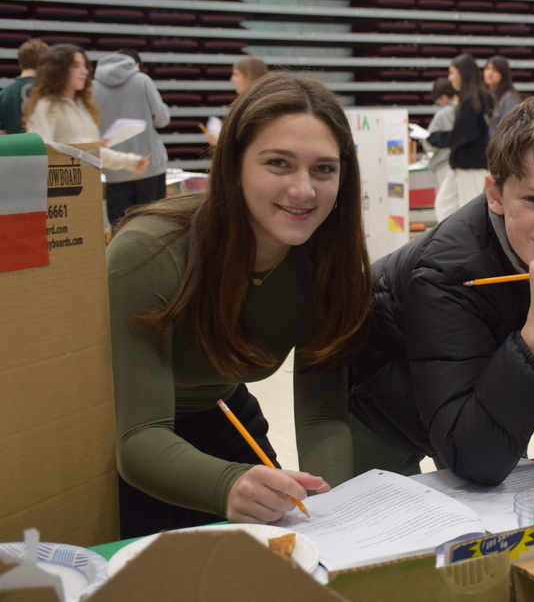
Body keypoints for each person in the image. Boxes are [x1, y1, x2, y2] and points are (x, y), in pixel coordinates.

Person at [107, 73, 373, 538]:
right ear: (233, 165)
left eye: (324, 169)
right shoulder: (147, 252)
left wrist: (334, 506)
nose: (303, 190)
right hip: (123, 443)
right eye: (278, 163)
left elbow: (322, 416)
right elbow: (136, 437)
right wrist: (229, 483)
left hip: (225, 418)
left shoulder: (332, 266)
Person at [349, 97, 534, 486]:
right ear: (495, 194)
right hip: (377, 395)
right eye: (533, 199)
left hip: (474, 396)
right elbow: (476, 457)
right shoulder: (446, 270)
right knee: (381, 526)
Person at [23, 43, 146, 174]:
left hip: (86, 186)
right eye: (76, 66)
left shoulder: (81, 106)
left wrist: (130, 161)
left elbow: (94, 153)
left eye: (84, 65)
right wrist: (83, 145)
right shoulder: (46, 106)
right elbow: (40, 152)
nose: (85, 71)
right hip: (61, 189)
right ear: (59, 70)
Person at [92, 49, 171, 225]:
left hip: (115, 169)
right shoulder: (142, 80)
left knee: (121, 227)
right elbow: (162, 119)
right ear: (135, 65)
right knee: (155, 224)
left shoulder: (92, 87)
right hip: (149, 163)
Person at [426, 54, 494, 222]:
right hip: (459, 166)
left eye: (452, 73)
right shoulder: (468, 100)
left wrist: (437, 138)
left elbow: (463, 134)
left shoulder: (472, 100)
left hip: (470, 167)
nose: (450, 78)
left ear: (462, 73)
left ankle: (471, 247)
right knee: (444, 206)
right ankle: (451, 244)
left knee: (470, 213)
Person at [205, 56, 269, 146]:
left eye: (236, 74)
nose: (232, 79)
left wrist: (220, 145)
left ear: (249, 76)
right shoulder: (252, 104)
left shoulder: (257, 108)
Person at [421, 77, 459, 218]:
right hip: (459, 161)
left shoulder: (443, 114)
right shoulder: (466, 107)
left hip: (444, 162)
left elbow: (431, 142)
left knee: (444, 206)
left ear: (443, 97)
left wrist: (423, 139)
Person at [0, 38, 48, 135]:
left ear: (20, 63)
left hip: (14, 149)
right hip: (45, 149)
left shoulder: (4, 95)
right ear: (44, 63)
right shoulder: (51, 91)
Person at [482, 55, 522, 134]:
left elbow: (511, 129)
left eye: (495, 70)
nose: (490, 73)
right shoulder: (486, 94)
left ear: (503, 74)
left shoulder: (509, 97)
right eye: (488, 68)